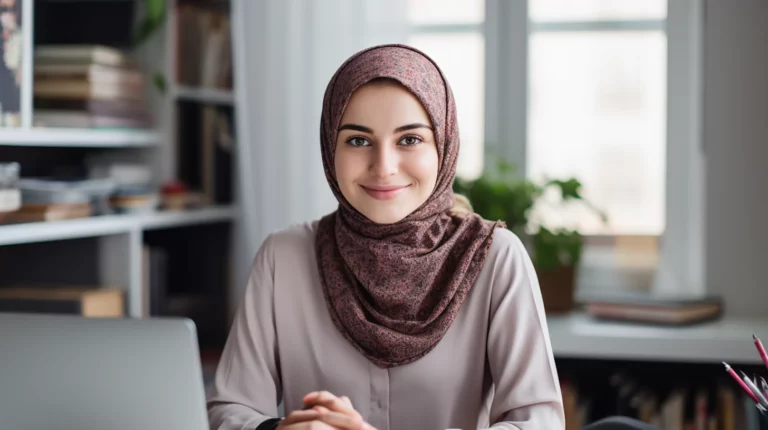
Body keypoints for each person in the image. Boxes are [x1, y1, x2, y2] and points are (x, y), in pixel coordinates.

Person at [207, 44, 565, 430]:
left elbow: (537, 421)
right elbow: (230, 410)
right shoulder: (284, 257)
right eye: (358, 140)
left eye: (409, 139)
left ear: (443, 145)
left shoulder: (495, 258)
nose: (384, 167)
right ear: (330, 147)